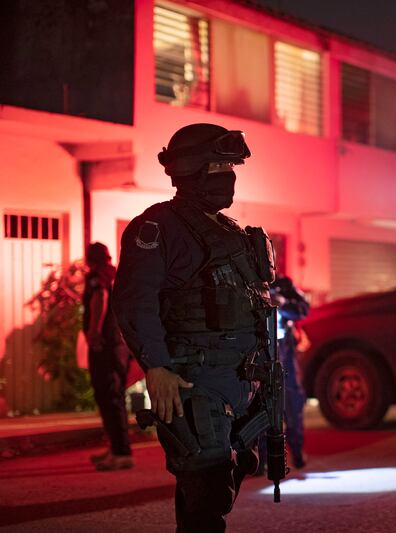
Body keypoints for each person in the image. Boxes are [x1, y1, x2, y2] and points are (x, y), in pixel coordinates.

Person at [112, 123, 277, 532]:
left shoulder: (231, 232)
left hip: (240, 379)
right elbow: (135, 300)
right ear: (192, 170)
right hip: (194, 379)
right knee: (207, 493)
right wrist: (156, 366)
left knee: (224, 483)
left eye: (230, 164)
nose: (229, 173)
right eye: (219, 163)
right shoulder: (157, 227)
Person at [84, 241, 133, 471]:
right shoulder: (117, 273)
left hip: (105, 345)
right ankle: (116, 447)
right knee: (116, 397)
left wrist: (94, 331)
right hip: (121, 345)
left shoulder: (98, 276)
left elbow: (100, 298)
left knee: (108, 398)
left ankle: (121, 452)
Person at [257, 274, 310, 471]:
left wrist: (283, 303)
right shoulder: (249, 279)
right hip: (260, 353)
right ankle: (261, 459)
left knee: (292, 403)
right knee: (261, 406)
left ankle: (296, 453)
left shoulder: (284, 285)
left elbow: (302, 310)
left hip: (285, 352)